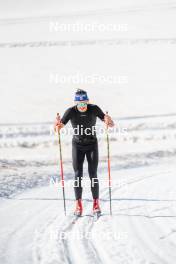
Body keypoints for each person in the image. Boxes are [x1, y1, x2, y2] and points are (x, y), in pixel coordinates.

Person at [54, 89, 114, 216]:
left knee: (93, 173)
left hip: (92, 144)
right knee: (78, 174)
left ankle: (96, 203)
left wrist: (109, 120)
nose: (82, 107)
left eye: (84, 104)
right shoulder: (70, 111)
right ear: (76, 103)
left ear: (87, 102)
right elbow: (58, 128)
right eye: (79, 104)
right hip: (78, 145)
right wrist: (57, 124)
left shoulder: (94, 109)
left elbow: (110, 124)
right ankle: (78, 204)